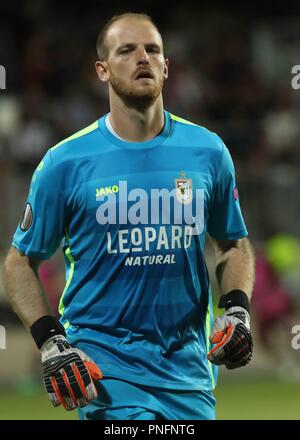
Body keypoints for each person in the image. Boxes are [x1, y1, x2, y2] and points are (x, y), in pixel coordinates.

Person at [3, 12, 255, 420]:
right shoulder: (64, 163)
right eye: (127, 50)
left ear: (167, 67)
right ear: (102, 70)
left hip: (190, 374)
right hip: (106, 374)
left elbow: (233, 244)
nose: (143, 58)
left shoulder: (208, 151)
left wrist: (238, 309)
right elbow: (19, 261)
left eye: (152, 49)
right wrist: (51, 341)